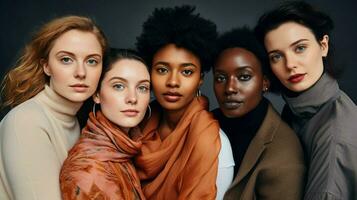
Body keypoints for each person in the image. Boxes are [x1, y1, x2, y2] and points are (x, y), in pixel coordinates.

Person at [255, 1, 357, 199]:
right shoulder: (296, 111)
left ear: (323, 46)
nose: (290, 64)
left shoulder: (334, 133)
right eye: (276, 56)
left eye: (300, 48)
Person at [0, 16, 107, 200]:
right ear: (47, 66)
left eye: (91, 61)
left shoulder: (78, 121)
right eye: (66, 59)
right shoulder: (27, 121)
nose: (81, 73)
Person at [135, 5, 233, 200]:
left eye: (186, 71)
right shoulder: (134, 124)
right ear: (150, 72)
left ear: (200, 78)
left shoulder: (214, 144)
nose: (173, 82)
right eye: (162, 70)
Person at [212, 27, 305, 200]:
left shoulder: (284, 155)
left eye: (244, 77)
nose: (230, 88)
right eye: (221, 78)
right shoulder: (206, 122)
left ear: (265, 83)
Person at [60, 48, 150, 200]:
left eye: (142, 88)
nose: (133, 98)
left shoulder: (124, 149)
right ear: (96, 94)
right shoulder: (89, 170)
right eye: (119, 86)